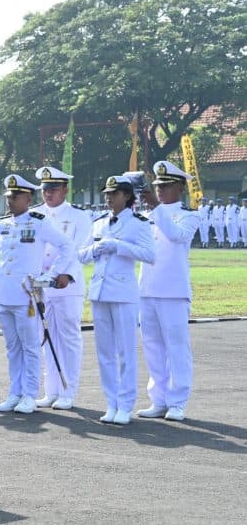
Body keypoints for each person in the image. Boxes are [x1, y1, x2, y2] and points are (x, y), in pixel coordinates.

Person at [0, 174, 73, 414]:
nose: (10, 201)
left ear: (28, 198)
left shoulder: (39, 223)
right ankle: (14, 392)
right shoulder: (3, 224)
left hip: (26, 296)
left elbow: (66, 246)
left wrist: (51, 275)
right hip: (4, 294)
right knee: (12, 348)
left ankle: (29, 395)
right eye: (8, 196)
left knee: (30, 347)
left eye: (15, 197)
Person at [79, 176, 155, 425]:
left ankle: (125, 404)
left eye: (114, 193)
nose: (109, 198)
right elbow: (81, 255)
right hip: (100, 291)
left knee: (125, 352)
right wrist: (95, 249)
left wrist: (119, 246)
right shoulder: (99, 222)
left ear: (127, 195)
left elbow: (149, 254)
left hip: (123, 293)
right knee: (104, 353)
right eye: (107, 194)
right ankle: (111, 403)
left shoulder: (138, 223)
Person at [137, 160, 201, 421]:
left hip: (173, 291)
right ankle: (159, 399)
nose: (160, 190)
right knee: (152, 347)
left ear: (180, 188)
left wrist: (156, 207)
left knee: (176, 348)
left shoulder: (189, 215)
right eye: (157, 186)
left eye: (166, 185)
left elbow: (176, 236)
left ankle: (177, 401)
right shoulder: (147, 214)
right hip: (147, 288)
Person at [31, 166, 91, 411]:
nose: (48, 193)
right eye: (45, 189)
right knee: (46, 337)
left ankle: (68, 391)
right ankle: (51, 390)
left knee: (68, 338)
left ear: (65, 189)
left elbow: (78, 250)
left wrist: (63, 273)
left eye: (54, 189)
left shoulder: (79, 216)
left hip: (67, 284)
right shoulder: (35, 215)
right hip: (41, 286)